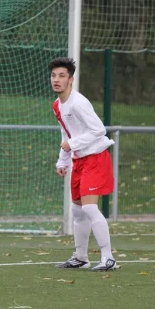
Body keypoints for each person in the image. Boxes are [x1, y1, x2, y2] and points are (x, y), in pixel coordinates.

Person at [49, 57, 117, 271]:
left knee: (89, 207)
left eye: (61, 76)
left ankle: (109, 258)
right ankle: (81, 257)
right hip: (78, 160)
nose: (56, 80)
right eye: (53, 75)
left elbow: (98, 130)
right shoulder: (57, 105)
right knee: (77, 211)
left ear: (71, 79)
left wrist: (72, 144)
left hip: (95, 159)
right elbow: (66, 132)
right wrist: (63, 159)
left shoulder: (79, 103)